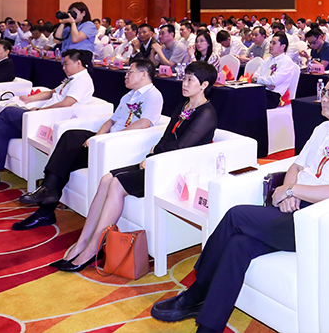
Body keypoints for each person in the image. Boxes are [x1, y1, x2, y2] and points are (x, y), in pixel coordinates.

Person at [150, 70, 329, 332]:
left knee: (236, 216)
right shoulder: (322, 129)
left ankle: (196, 292)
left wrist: (292, 191)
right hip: (294, 207)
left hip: (314, 220)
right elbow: (296, 166)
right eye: (324, 92)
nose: (323, 98)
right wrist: (289, 189)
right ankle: (208, 325)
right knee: (238, 245)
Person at [53, 61, 218, 272]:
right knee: (106, 179)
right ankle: (82, 241)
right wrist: (152, 153)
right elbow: (167, 137)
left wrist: (154, 157)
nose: (184, 84)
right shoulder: (183, 106)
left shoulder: (206, 113)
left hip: (176, 170)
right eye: (184, 78)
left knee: (117, 184)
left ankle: (93, 247)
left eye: (190, 80)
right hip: (160, 161)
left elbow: (181, 147)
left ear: (204, 85)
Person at [13, 59, 164, 230]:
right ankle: (48, 194)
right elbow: (111, 121)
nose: (126, 75)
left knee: (68, 157)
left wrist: (108, 139)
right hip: (106, 140)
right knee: (70, 137)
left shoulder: (153, 95)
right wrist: (97, 138)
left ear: (144, 74)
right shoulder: (128, 96)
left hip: (119, 145)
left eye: (131, 72)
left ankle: (45, 208)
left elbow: (144, 123)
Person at [0, 48, 95, 189]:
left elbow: (66, 103)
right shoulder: (72, 79)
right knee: (3, 129)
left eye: (66, 64)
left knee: (9, 112)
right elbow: (51, 93)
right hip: (41, 115)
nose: (63, 67)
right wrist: (30, 99)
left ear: (78, 63)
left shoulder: (82, 81)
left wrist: (40, 110)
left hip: (49, 119)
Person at [253, 33, 300, 106]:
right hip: (262, 91)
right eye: (270, 43)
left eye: (274, 43)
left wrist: (258, 80)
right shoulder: (267, 60)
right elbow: (254, 77)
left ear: (283, 46)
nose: (270, 45)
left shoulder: (286, 61)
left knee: (249, 101)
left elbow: (274, 81)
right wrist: (266, 84)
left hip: (274, 96)